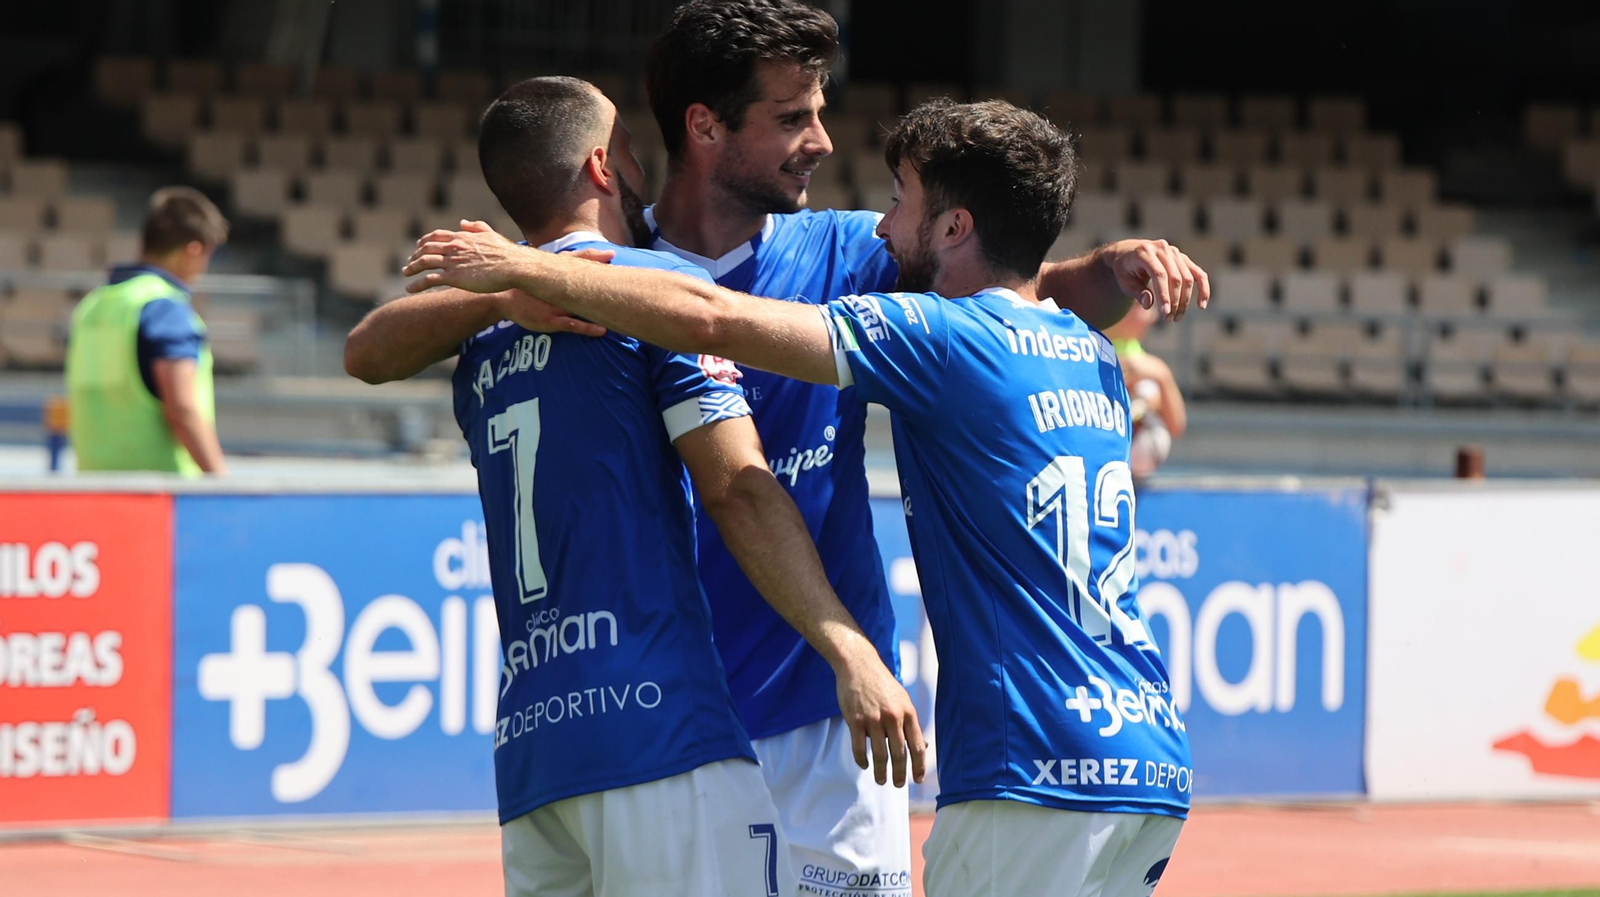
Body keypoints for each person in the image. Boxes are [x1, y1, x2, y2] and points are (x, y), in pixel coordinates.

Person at [403, 96, 1194, 897]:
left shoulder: (939, 335)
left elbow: (712, 315)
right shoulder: (1090, 354)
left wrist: (524, 267)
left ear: (955, 229)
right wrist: (1103, 270)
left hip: (1033, 763)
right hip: (1147, 753)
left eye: (900, 203)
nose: (883, 229)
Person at [633, 3, 1207, 891]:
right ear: (705, 126)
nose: (824, 141)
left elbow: (997, 291)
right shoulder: (611, 264)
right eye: (793, 117)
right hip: (672, 723)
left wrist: (1102, 270)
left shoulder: (844, 251)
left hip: (839, 720)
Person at [345, 76, 921, 897]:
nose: (638, 155)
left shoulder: (479, 330)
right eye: (624, 143)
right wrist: (848, 646)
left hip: (537, 755)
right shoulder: (647, 291)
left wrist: (507, 288)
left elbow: (363, 351)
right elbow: (737, 489)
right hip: (659, 728)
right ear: (601, 167)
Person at [65, 186, 228, 476]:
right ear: (194, 249)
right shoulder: (165, 309)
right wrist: (222, 483)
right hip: (162, 498)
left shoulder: (92, 306)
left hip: (92, 488)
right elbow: (183, 410)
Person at [1104, 301, 1188, 478]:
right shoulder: (1090, 347)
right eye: (1145, 307)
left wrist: (1162, 375)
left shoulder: (1145, 360)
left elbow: (1176, 425)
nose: (1153, 317)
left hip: (1134, 476)